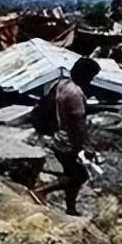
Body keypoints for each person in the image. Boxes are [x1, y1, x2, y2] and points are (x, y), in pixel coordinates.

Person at [32, 57, 100, 216]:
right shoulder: (76, 94)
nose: (91, 81)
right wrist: (86, 146)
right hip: (68, 141)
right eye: (91, 76)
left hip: (58, 135)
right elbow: (78, 124)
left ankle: (71, 208)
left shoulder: (62, 84)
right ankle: (41, 191)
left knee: (73, 173)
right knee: (79, 176)